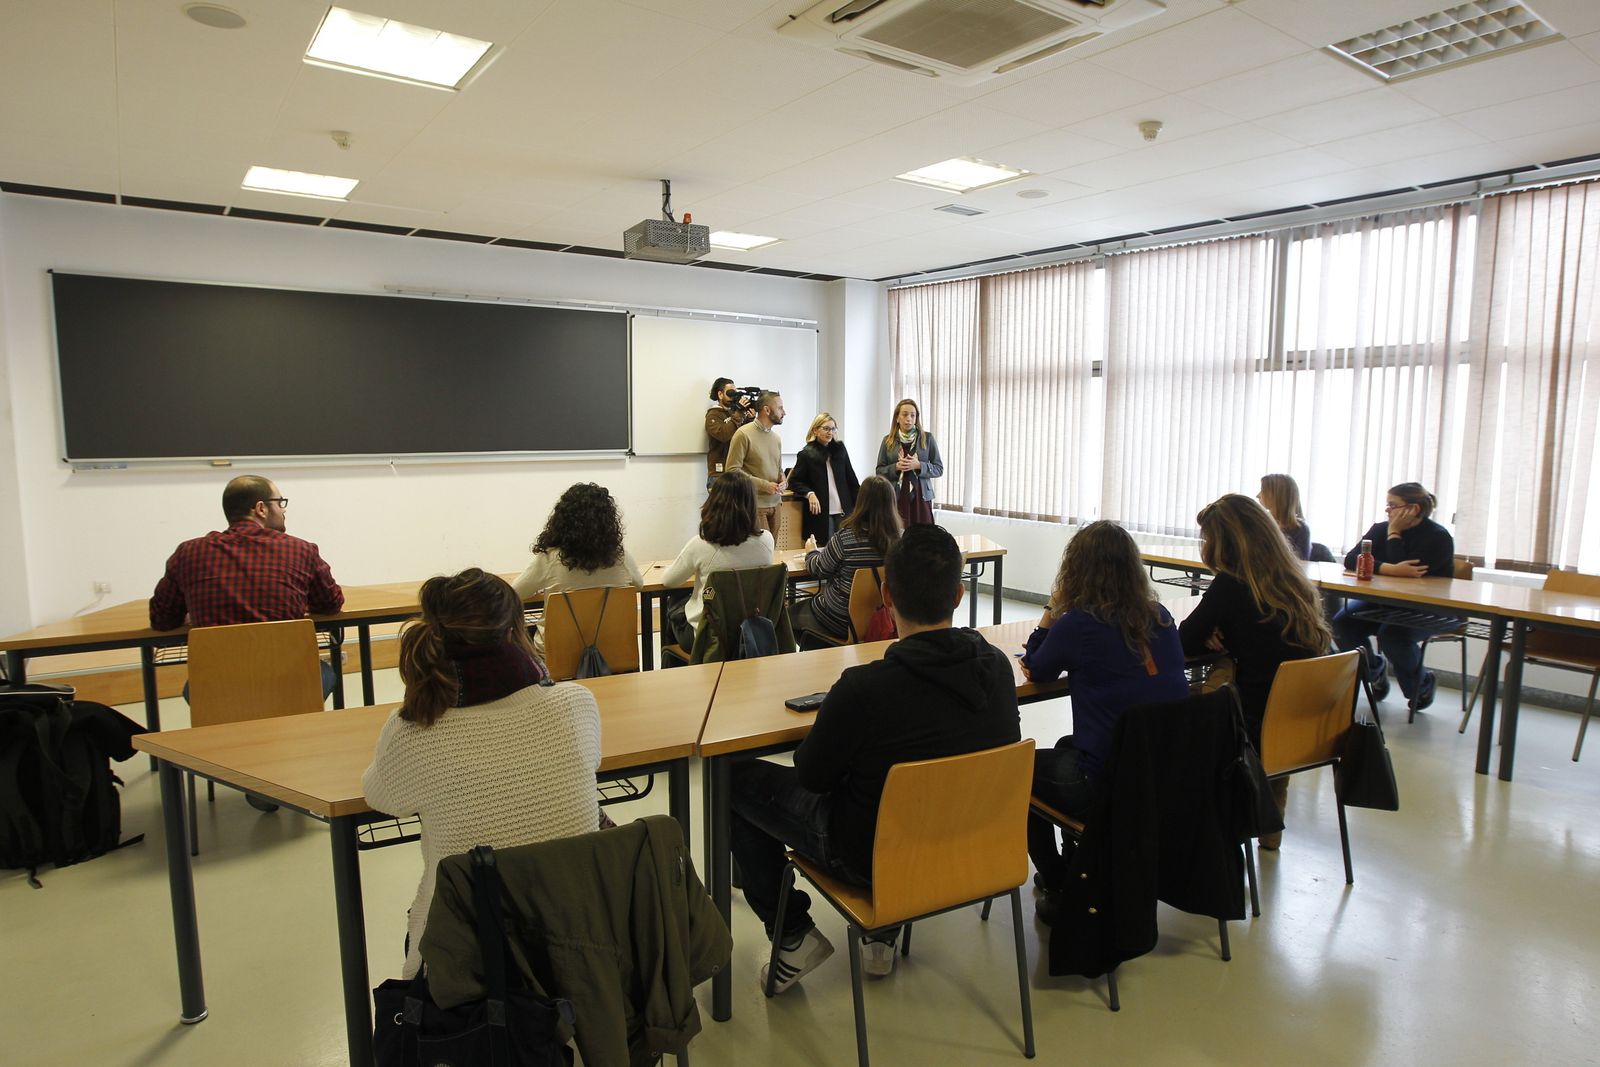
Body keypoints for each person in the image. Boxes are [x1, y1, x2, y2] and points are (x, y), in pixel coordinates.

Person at [729, 524, 1021, 991]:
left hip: (870, 857)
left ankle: (792, 937)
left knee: (733, 779)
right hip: (970, 844)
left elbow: (812, 777)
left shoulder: (864, 689)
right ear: (959, 595)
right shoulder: (998, 670)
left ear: (886, 595)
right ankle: (881, 933)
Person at [361, 568, 601, 980]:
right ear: (514, 633)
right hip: (581, 937)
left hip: (471, 954)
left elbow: (380, 798)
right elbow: (590, 762)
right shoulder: (576, 704)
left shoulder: (412, 730)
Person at [1020, 522, 1189, 901]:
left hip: (1106, 781)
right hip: (1163, 775)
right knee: (1066, 743)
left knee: (1021, 772)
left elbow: (1038, 665)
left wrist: (1052, 609)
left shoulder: (1079, 624)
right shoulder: (1160, 616)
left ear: (1076, 570)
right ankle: (1083, 859)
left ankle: (1060, 881)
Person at [1179, 495, 1332, 850]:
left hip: (1253, 726)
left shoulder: (1231, 585)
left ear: (1225, 543)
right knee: (1260, 699)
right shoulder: (1294, 582)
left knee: (1169, 706)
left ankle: (1203, 826)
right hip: (1305, 725)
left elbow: (1183, 642)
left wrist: (1212, 633)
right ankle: (1268, 827)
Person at [150, 473, 344, 696]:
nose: (284, 509)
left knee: (193, 688)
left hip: (217, 688)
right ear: (261, 508)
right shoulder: (300, 550)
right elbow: (331, 605)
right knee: (325, 674)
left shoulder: (188, 553)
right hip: (290, 683)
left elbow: (162, 619)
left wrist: (190, 615)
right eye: (280, 503)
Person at [1332, 482, 1456, 708]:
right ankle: (1374, 671)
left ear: (1414, 509)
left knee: (1392, 636)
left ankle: (1422, 686)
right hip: (1386, 603)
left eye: (1393, 505)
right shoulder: (1380, 528)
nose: (1387, 511)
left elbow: (1407, 573)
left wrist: (1395, 535)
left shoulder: (1437, 537)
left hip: (1430, 609)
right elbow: (1351, 560)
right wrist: (1389, 568)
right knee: (1342, 623)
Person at [512, 482, 644, 658]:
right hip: (611, 652)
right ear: (609, 522)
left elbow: (514, 593)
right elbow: (639, 585)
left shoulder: (549, 559)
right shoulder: (621, 558)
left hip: (557, 655)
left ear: (561, 520)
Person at [661, 472, 775, 649]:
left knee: (674, 603)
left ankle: (676, 671)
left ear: (714, 503)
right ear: (752, 504)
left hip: (709, 636)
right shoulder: (767, 541)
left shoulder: (700, 545)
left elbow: (668, 581)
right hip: (750, 634)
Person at [790, 475, 900, 642]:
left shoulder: (846, 538)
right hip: (885, 620)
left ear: (861, 502)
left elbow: (818, 569)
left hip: (840, 619)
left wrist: (811, 551)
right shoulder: (900, 541)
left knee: (788, 616)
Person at [787, 412, 860, 546]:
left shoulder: (840, 450)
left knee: (847, 547)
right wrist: (809, 494)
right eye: (826, 428)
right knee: (826, 549)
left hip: (844, 509)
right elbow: (794, 481)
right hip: (821, 513)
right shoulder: (807, 454)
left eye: (833, 429)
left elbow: (852, 480)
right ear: (815, 430)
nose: (830, 432)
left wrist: (860, 506)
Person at [724, 390, 787, 539]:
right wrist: (765, 485)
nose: (784, 412)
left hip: (776, 504)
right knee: (761, 554)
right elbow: (732, 471)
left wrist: (783, 479)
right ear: (766, 410)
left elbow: (778, 469)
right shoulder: (743, 434)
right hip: (755, 505)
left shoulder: (776, 439)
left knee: (772, 554)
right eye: (780, 408)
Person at [875, 398, 943, 528]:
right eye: (905, 414)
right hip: (897, 496)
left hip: (920, 497)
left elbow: (939, 469)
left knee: (923, 537)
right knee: (898, 536)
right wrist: (895, 467)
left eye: (913, 415)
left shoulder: (927, 438)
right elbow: (879, 471)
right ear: (897, 418)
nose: (909, 419)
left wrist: (919, 466)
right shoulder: (887, 441)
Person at [705, 377, 754, 491]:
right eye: (730, 393)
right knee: (720, 509)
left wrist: (750, 420)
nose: (733, 396)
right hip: (719, 474)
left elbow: (743, 437)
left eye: (735, 392)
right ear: (720, 394)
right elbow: (723, 435)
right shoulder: (713, 415)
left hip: (737, 471)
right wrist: (739, 413)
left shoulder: (736, 413)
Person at [1258, 473, 1311, 561]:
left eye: (1262, 490)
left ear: (1277, 495)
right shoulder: (1260, 523)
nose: (1258, 495)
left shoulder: (1301, 529)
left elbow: (1299, 564)